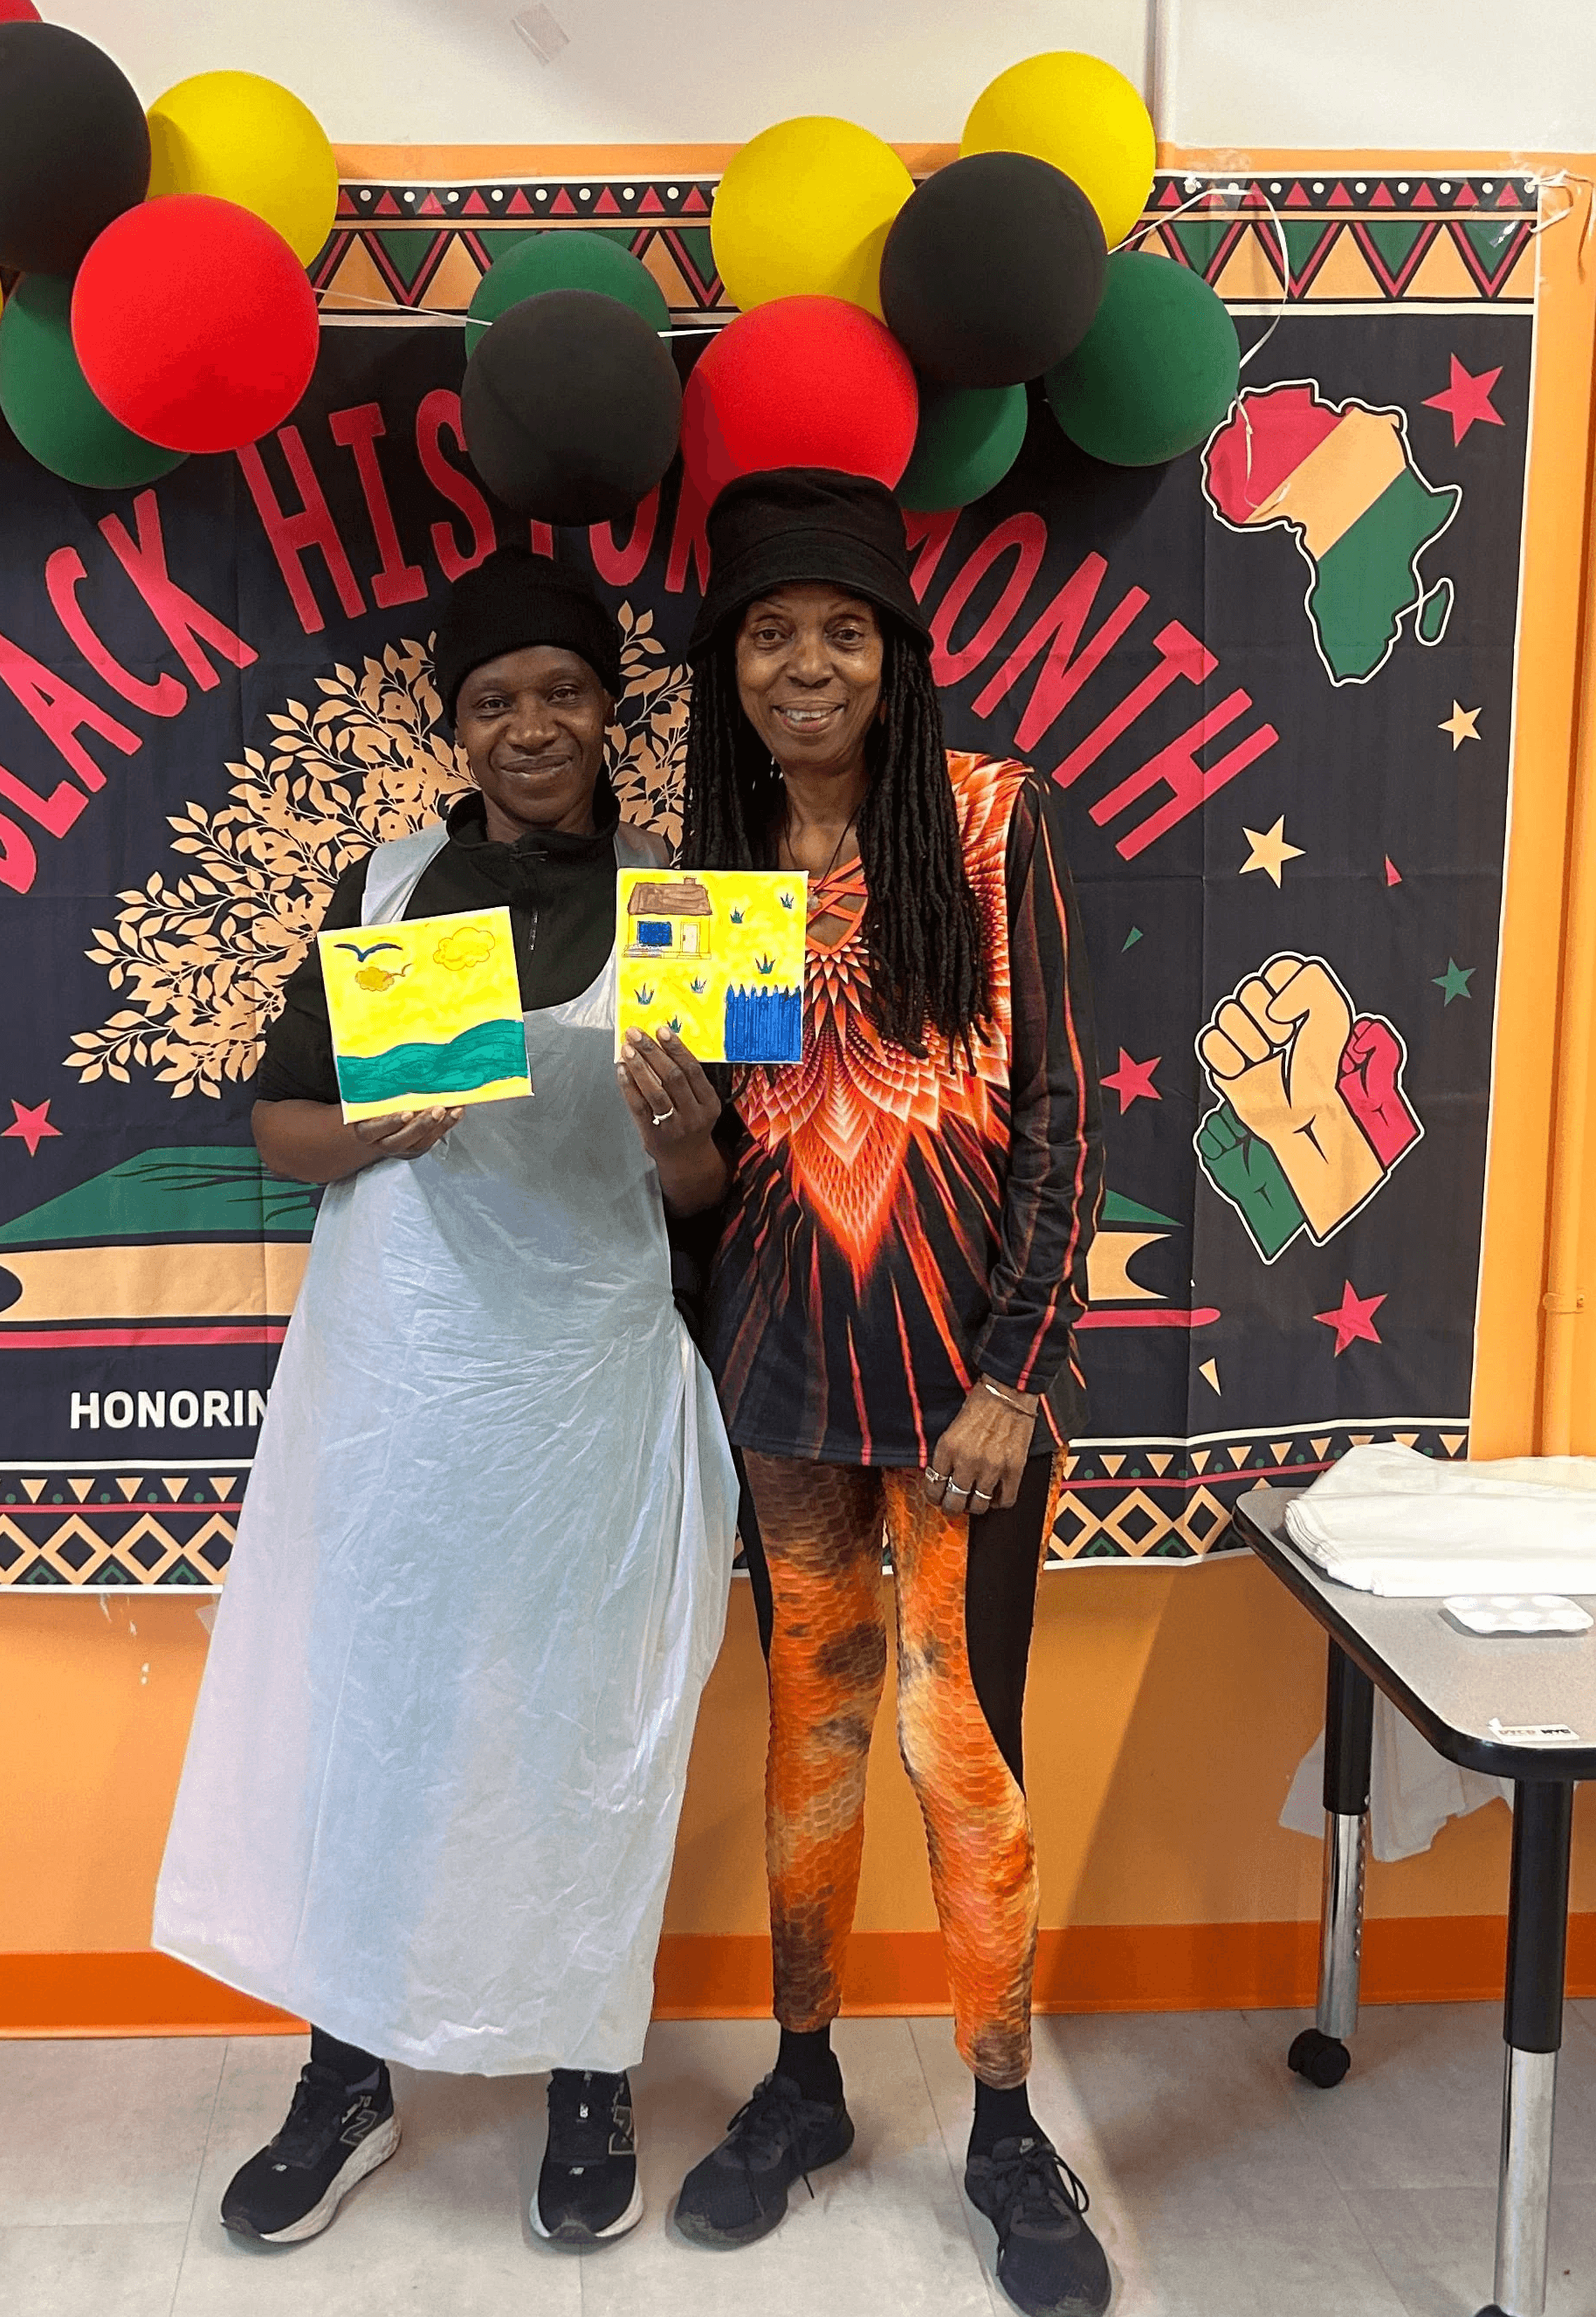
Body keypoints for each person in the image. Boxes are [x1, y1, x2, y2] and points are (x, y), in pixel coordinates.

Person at [155, 547, 737, 2251]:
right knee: (381, 1724)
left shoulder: (687, 899)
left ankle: (585, 2070)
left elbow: (719, 1196)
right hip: (401, 1378)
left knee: (581, 1728)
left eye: (561, 690)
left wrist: (682, 1129)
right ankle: (345, 2077)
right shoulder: (388, 881)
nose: (531, 723)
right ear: (456, 725)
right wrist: (372, 1130)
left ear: (608, 709)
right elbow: (282, 1128)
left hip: (591, 1377)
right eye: (495, 700)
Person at [668, 469, 1107, 2317]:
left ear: (895, 650)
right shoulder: (712, 870)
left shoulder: (991, 819)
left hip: (961, 1398)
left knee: (959, 1744)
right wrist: (673, 1119)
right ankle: (807, 2080)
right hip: (785, 1386)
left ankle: (1007, 2123)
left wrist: (1016, 1368)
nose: (806, 663)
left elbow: (1064, 1115)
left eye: (841, 628)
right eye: (771, 632)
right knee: (813, 1736)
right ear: (732, 661)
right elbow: (727, 1174)